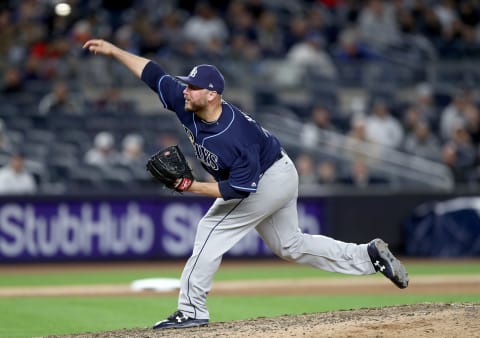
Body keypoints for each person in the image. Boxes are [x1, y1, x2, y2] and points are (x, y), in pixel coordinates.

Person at [83, 38, 409, 330]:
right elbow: (152, 74)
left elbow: (238, 191)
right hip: (277, 169)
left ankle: (191, 309)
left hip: (268, 179)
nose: (185, 89)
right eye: (186, 84)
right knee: (289, 245)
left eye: (192, 86)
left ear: (212, 95)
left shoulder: (232, 136)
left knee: (211, 230)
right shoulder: (188, 103)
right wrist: (113, 52)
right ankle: (368, 257)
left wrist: (190, 186)